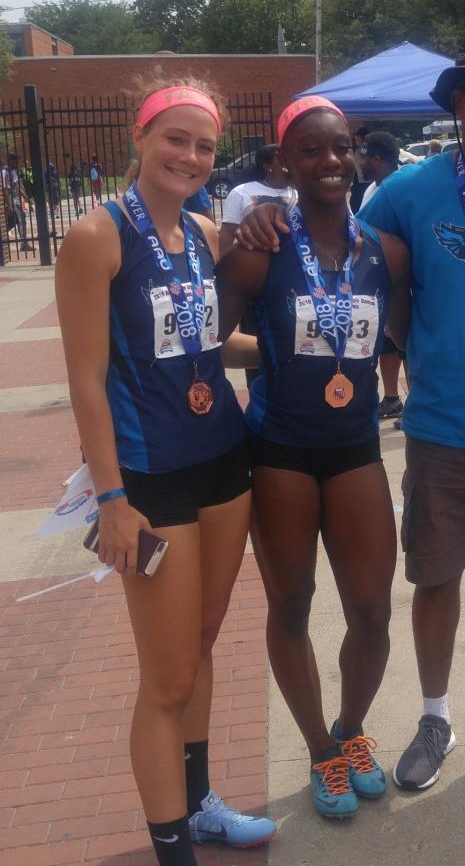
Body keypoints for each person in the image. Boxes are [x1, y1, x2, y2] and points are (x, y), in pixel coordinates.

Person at [236, 30, 465, 791]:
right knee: (435, 578)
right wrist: (263, 220)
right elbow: (353, 268)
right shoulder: (405, 191)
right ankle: (436, 716)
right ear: (456, 99)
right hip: (439, 426)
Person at [54, 77, 276, 866]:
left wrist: (299, 348)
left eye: (204, 145)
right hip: (150, 481)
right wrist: (112, 499)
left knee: (205, 640)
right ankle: (171, 842)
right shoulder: (95, 237)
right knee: (167, 676)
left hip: (224, 461)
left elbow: (210, 348)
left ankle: (202, 800)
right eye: (174, 138)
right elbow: (85, 381)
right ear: (140, 138)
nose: (189, 155)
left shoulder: (209, 234)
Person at [216, 96, 410, 819]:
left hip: (356, 449)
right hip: (280, 452)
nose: (330, 162)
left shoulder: (383, 253)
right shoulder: (257, 251)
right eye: (312, 152)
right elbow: (202, 341)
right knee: (291, 605)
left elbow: (417, 333)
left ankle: (351, 729)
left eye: (341, 148)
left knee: (371, 610)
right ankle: (318, 751)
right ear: (285, 165)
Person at [357, 131, 406, 419]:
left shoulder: (402, 187)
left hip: (403, 285)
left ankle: (416, 408)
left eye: (363, 156)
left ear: (376, 158)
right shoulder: (370, 190)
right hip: (378, 285)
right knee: (386, 346)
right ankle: (391, 398)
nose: (359, 162)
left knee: (408, 349)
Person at [219, 142, 293, 256]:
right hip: (255, 264)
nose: (288, 165)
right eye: (282, 162)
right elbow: (228, 234)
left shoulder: (300, 192)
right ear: (268, 167)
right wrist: (221, 267)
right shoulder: (241, 192)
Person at [2, 153, 34, 251]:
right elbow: (4, 189)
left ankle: (23, 243)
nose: (18, 162)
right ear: (11, 160)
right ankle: (23, 243)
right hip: (11, 200)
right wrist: (8, 204)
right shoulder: (5, 172)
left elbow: (17, 187)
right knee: (19, 219)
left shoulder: (14, 172)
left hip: (16, 200)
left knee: (16, 220)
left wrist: (27, 198)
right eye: (16, 160)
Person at [66, 152, 84, 218]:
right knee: (78, 198)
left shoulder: (70, 175)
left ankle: (77, 211)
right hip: (78, 187)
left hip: (73, 188)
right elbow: (80, 180)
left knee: (74, 200)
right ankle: (81, 207)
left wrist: (69, 189)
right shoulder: (78, 173)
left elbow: (69, 183)